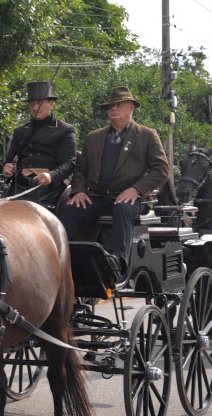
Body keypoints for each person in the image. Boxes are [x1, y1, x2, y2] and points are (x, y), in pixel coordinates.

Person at [58, 86, 170, 277]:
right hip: (97, 197)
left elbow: (161, 170)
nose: (113, 108)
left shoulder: (146, 135)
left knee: (122, 208)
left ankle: (118, 262)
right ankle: (61, 257)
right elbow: (81, 170)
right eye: (111, 106)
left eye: (119, 105)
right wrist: (78, 191)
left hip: (130, 198)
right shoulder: (94, 138)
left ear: (131, 107)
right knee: (70, 210)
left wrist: (136, 190)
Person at [2, 81, 77, 211]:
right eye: (32, 103)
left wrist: (51, 176)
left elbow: (69, 163)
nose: (35, 107)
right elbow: (9, 161)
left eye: (40, 103)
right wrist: (7, 168)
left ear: (51, 104)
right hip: (19, 184)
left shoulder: (65, 130)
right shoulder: (20, 131)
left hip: (48, 187)